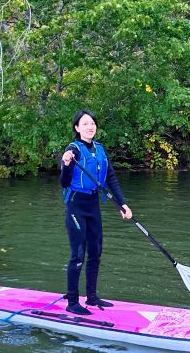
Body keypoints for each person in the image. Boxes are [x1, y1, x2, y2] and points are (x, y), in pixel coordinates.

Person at [59, 110, 132, 315]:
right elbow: (64, 183)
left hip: (93, 206)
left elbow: (111, 179)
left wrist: (122, 204)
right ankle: (72, 302)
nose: (90, 127)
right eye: (85, 124)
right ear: (77, 128)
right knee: (78, 254)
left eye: (92, 123)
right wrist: (65, 164)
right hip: (76, 206)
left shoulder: (100, 149)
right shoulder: (73, 149)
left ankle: (91, 297)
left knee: (96, 252)